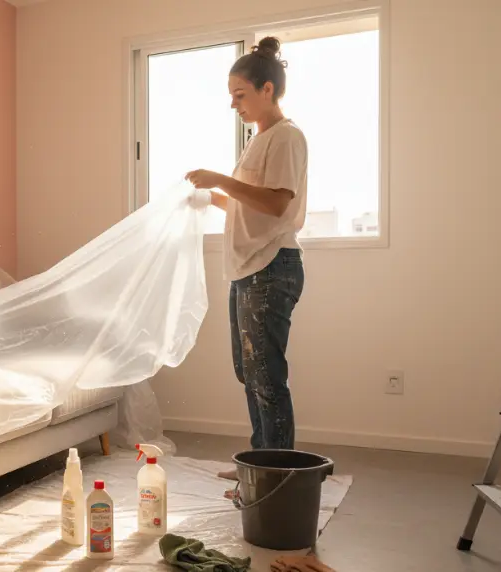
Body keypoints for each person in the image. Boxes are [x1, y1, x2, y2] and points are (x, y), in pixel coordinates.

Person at [185, 37, 308, 482]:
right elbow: (248, 205)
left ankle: (277, 474)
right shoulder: (258, 143)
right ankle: (261, 463)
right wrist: (211, 197)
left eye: (240, 94)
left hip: (271, 267)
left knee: (266, 375)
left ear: (267, 90)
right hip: (250, 269)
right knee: (248, 371)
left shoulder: (287, 137)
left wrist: (221, 179)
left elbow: (277, 204)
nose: (233, 104)